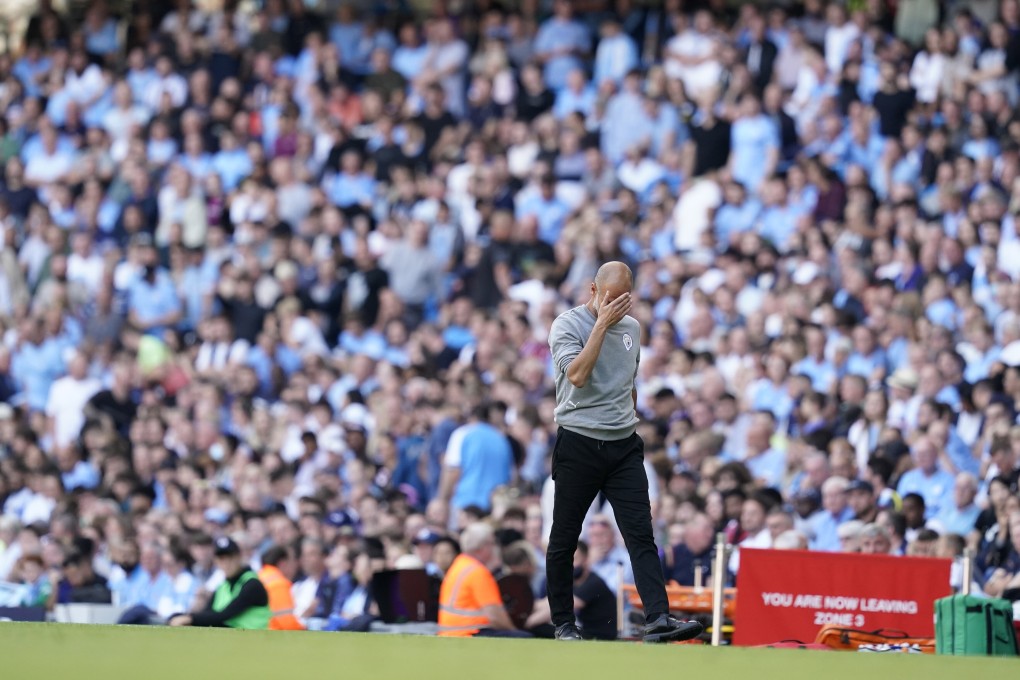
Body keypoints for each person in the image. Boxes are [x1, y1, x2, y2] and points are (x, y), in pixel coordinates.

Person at [546, 261, 703, 642]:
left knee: (641, 534)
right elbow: (578, 377)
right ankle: (564, 624)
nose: (618, 308)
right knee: (565, 537)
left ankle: (658, 618)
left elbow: (628, 383)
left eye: (624, 301)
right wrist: (601, 325)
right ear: (593, 291)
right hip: (579, 441)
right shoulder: (567, 325)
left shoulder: (632, 329)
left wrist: (625, 413)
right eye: (610, 299)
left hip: (622, 444)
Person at [437, 522, 529, 638]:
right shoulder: (478, 572)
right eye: (492, 543)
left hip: (451, 631)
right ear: (482, 547)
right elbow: (495, 617)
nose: (494, 548)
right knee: (525, 636)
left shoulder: (459, 564)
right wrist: (514, 631)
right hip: (470, 632)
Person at [168, 538, 269, 629]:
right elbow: (207, 614)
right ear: (216, 561)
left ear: (239, 557)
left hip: (256, 642)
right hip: (235, 641)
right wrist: (180, 616)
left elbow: (224, 615)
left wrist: (190, 618)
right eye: (221, 559)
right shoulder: (222, 587)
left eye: (230, 557)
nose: (226, 563)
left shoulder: (252, 584)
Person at [258, 545, 304, 631]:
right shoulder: (278, 584)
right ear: (282, 563)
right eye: (293, 560)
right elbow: (287, 623)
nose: (296, 564)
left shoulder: (261, 576)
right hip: (271, 638)